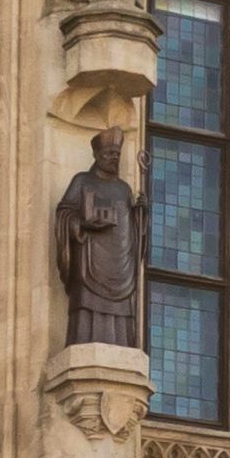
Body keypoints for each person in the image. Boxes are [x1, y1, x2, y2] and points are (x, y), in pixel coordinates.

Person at [51, 128, 141, 348]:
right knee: (87, 304)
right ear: (97, 156)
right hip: (90, 256)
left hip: (120, 262)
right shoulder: (82, 181)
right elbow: (64, 213)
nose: (113, 159)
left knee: (121, 308)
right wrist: (81, 224)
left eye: (117, 155)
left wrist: (141, 214)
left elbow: (133, 228)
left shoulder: (124, 189)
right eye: (108, 155)